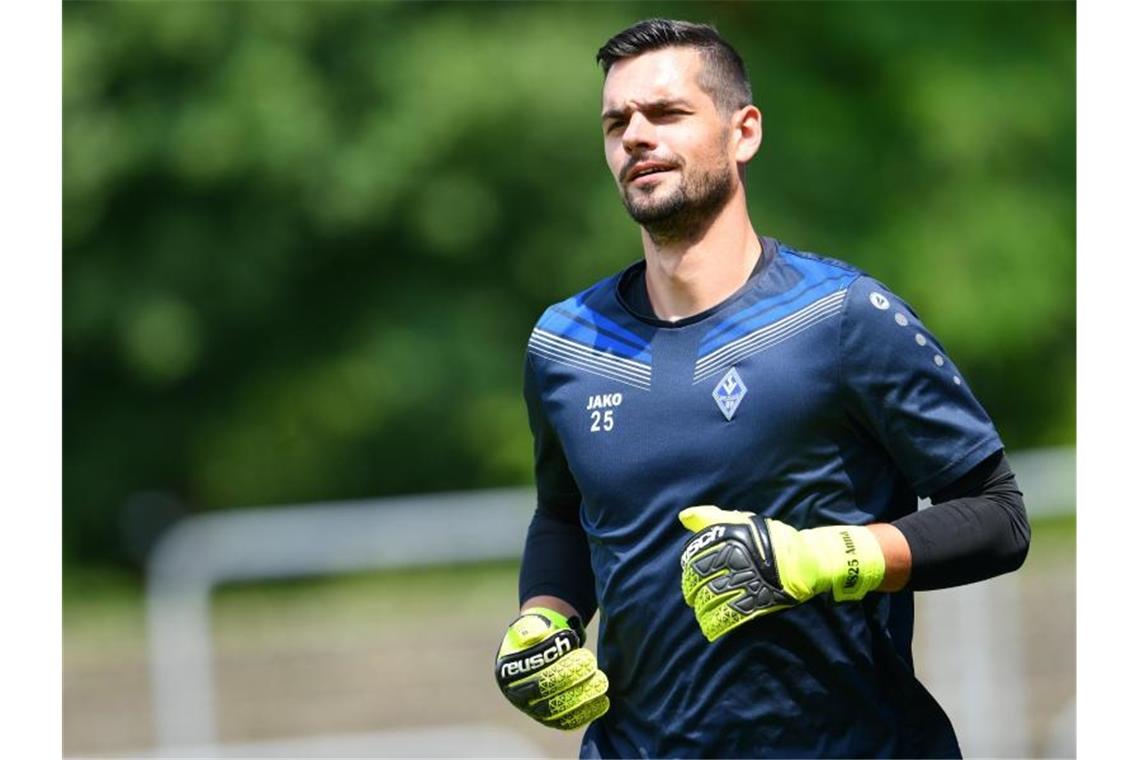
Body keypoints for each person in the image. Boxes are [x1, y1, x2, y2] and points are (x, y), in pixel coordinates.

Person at [494, 18, 1030, 758]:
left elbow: (997, 517)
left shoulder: (840, 316)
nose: (636, 137)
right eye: (617, 122)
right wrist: (543, 621)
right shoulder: (565, 343)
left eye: (667, 113)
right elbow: (563, 515)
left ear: (743, 132)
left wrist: (826, 561)